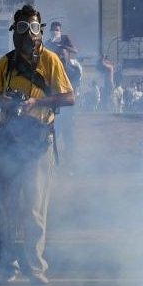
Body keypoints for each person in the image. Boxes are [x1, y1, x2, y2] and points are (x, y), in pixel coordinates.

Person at [0, 4, 74, 284]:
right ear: (15, 31)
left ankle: (36, 269)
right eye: (23, 27)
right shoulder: (5, 63)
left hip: (37, 143)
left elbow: (69, 98)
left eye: (34, 28)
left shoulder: (50, 61)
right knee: (6, 207)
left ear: (41, 31)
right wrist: (7, 102)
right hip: (9, 142)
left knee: (35, 208)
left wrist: (38, 102)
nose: (28, 34)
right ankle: (6, 267)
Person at [46, 22, 82, 174]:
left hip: (68, 109)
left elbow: (73, 93)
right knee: (51, 135)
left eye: (62, 53)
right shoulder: (51, 70)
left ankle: (69, 165)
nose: (60, 55)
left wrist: (64, 47)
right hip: (53, 107)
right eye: (53, 30)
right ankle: (51, 165)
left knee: (69, 137)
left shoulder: (74, 70)